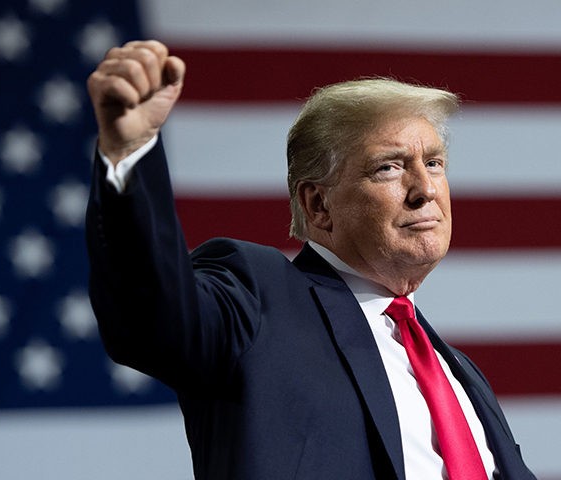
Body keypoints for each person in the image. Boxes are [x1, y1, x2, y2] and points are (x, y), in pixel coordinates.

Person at [85, 40, 536, 479]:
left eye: (434, 163)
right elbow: (151, 317)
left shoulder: (457, 372)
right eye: (389, 167)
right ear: (318, 205)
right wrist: (131, 152)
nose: (426, 190)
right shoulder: (258, 299)